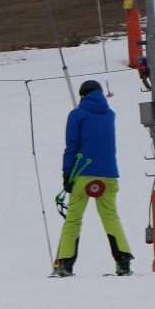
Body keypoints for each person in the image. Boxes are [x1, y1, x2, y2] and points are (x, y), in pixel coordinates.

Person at [53, 80, 134, 278]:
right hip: (108, 173)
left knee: (73, 218)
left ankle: (64, 263)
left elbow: (72, 145)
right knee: (110, 215)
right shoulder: (110, 114)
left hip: (82, 172)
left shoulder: (77, 114)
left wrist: (67, 173)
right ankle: (123, 261)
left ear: (82, 95)